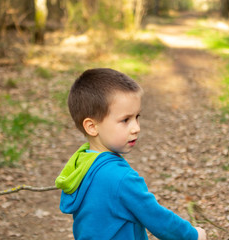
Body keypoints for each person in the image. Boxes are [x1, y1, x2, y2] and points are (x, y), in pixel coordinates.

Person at [55, 68, 207, 240]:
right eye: (125, 120)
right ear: (92, 126)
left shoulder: (81, 163)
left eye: (137, 117)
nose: (136, 128)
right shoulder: (121, 178)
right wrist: (192, 235)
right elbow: (156, 218)